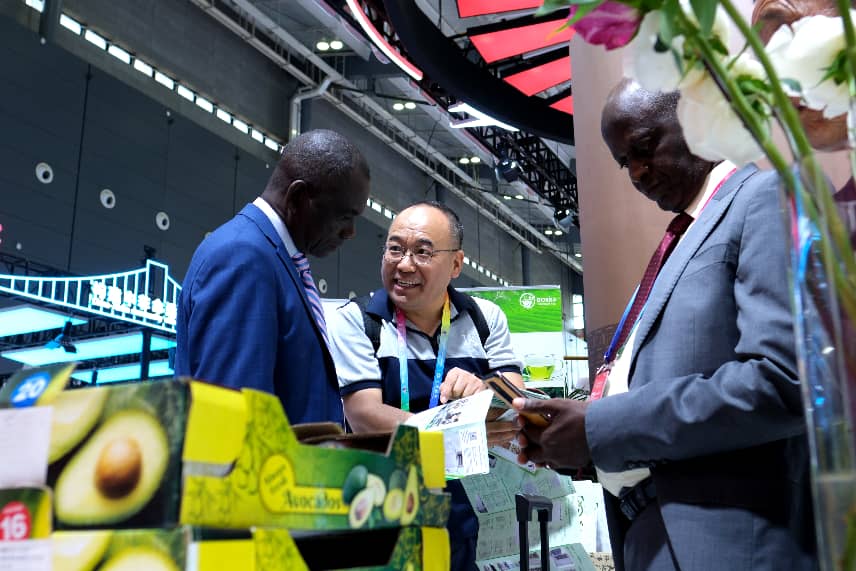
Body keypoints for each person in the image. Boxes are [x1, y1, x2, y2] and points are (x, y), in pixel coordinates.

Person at [513, 79, 816, 571]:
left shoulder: (762, 197)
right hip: (652, 531)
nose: (637, 173)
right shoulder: (681, 239)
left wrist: (600, 426)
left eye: (645, 147)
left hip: (725, 538)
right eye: (624, 162)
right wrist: (581, 443)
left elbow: (782, 380)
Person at [327, 201, 524, 571]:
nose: (404, 265)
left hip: (477, 517)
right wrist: (462, 427)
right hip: (389, 512)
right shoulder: (358, 322)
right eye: (395, 249)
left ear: (456, 264)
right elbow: (365, 416)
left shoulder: (485, 319)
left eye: (422, 252)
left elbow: (514, 400)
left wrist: (482, 390)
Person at [175, 129, 370, 425]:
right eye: (345, 216)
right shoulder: (243, 258)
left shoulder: (274, 259)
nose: (350, 232)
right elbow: (234, 415)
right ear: (299, 197)